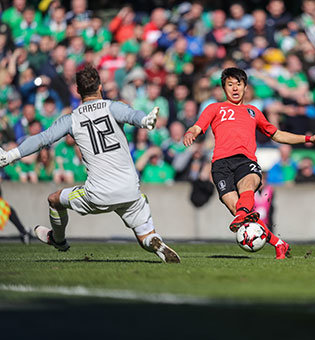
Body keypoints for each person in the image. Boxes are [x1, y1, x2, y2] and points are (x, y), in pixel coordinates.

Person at [0, 66, 180, 263]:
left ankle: (57, 239)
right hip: (129, 189)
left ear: (78, 90)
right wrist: (145, 121)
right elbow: (133, 116)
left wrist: (10, 155)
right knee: (145, 234)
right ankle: (154, 241)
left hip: (98, 193)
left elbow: (43, 139)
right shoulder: (113, 106)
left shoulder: (72, 119)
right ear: (100, 86)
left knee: (54, 199)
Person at [183, 67, 315, 259]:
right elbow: (197, 126)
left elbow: (277, 134)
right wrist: (191, 132)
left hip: (246, 161)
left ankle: (245, 214)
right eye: (230, 85)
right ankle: (278, 243)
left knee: (248, 186)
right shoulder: (214, 108)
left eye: (238, 84)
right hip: (220, 165)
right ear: (224, 88)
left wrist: (308, 139)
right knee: (241, 213)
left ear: (245, 87)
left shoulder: (253, 112)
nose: (234, 88)